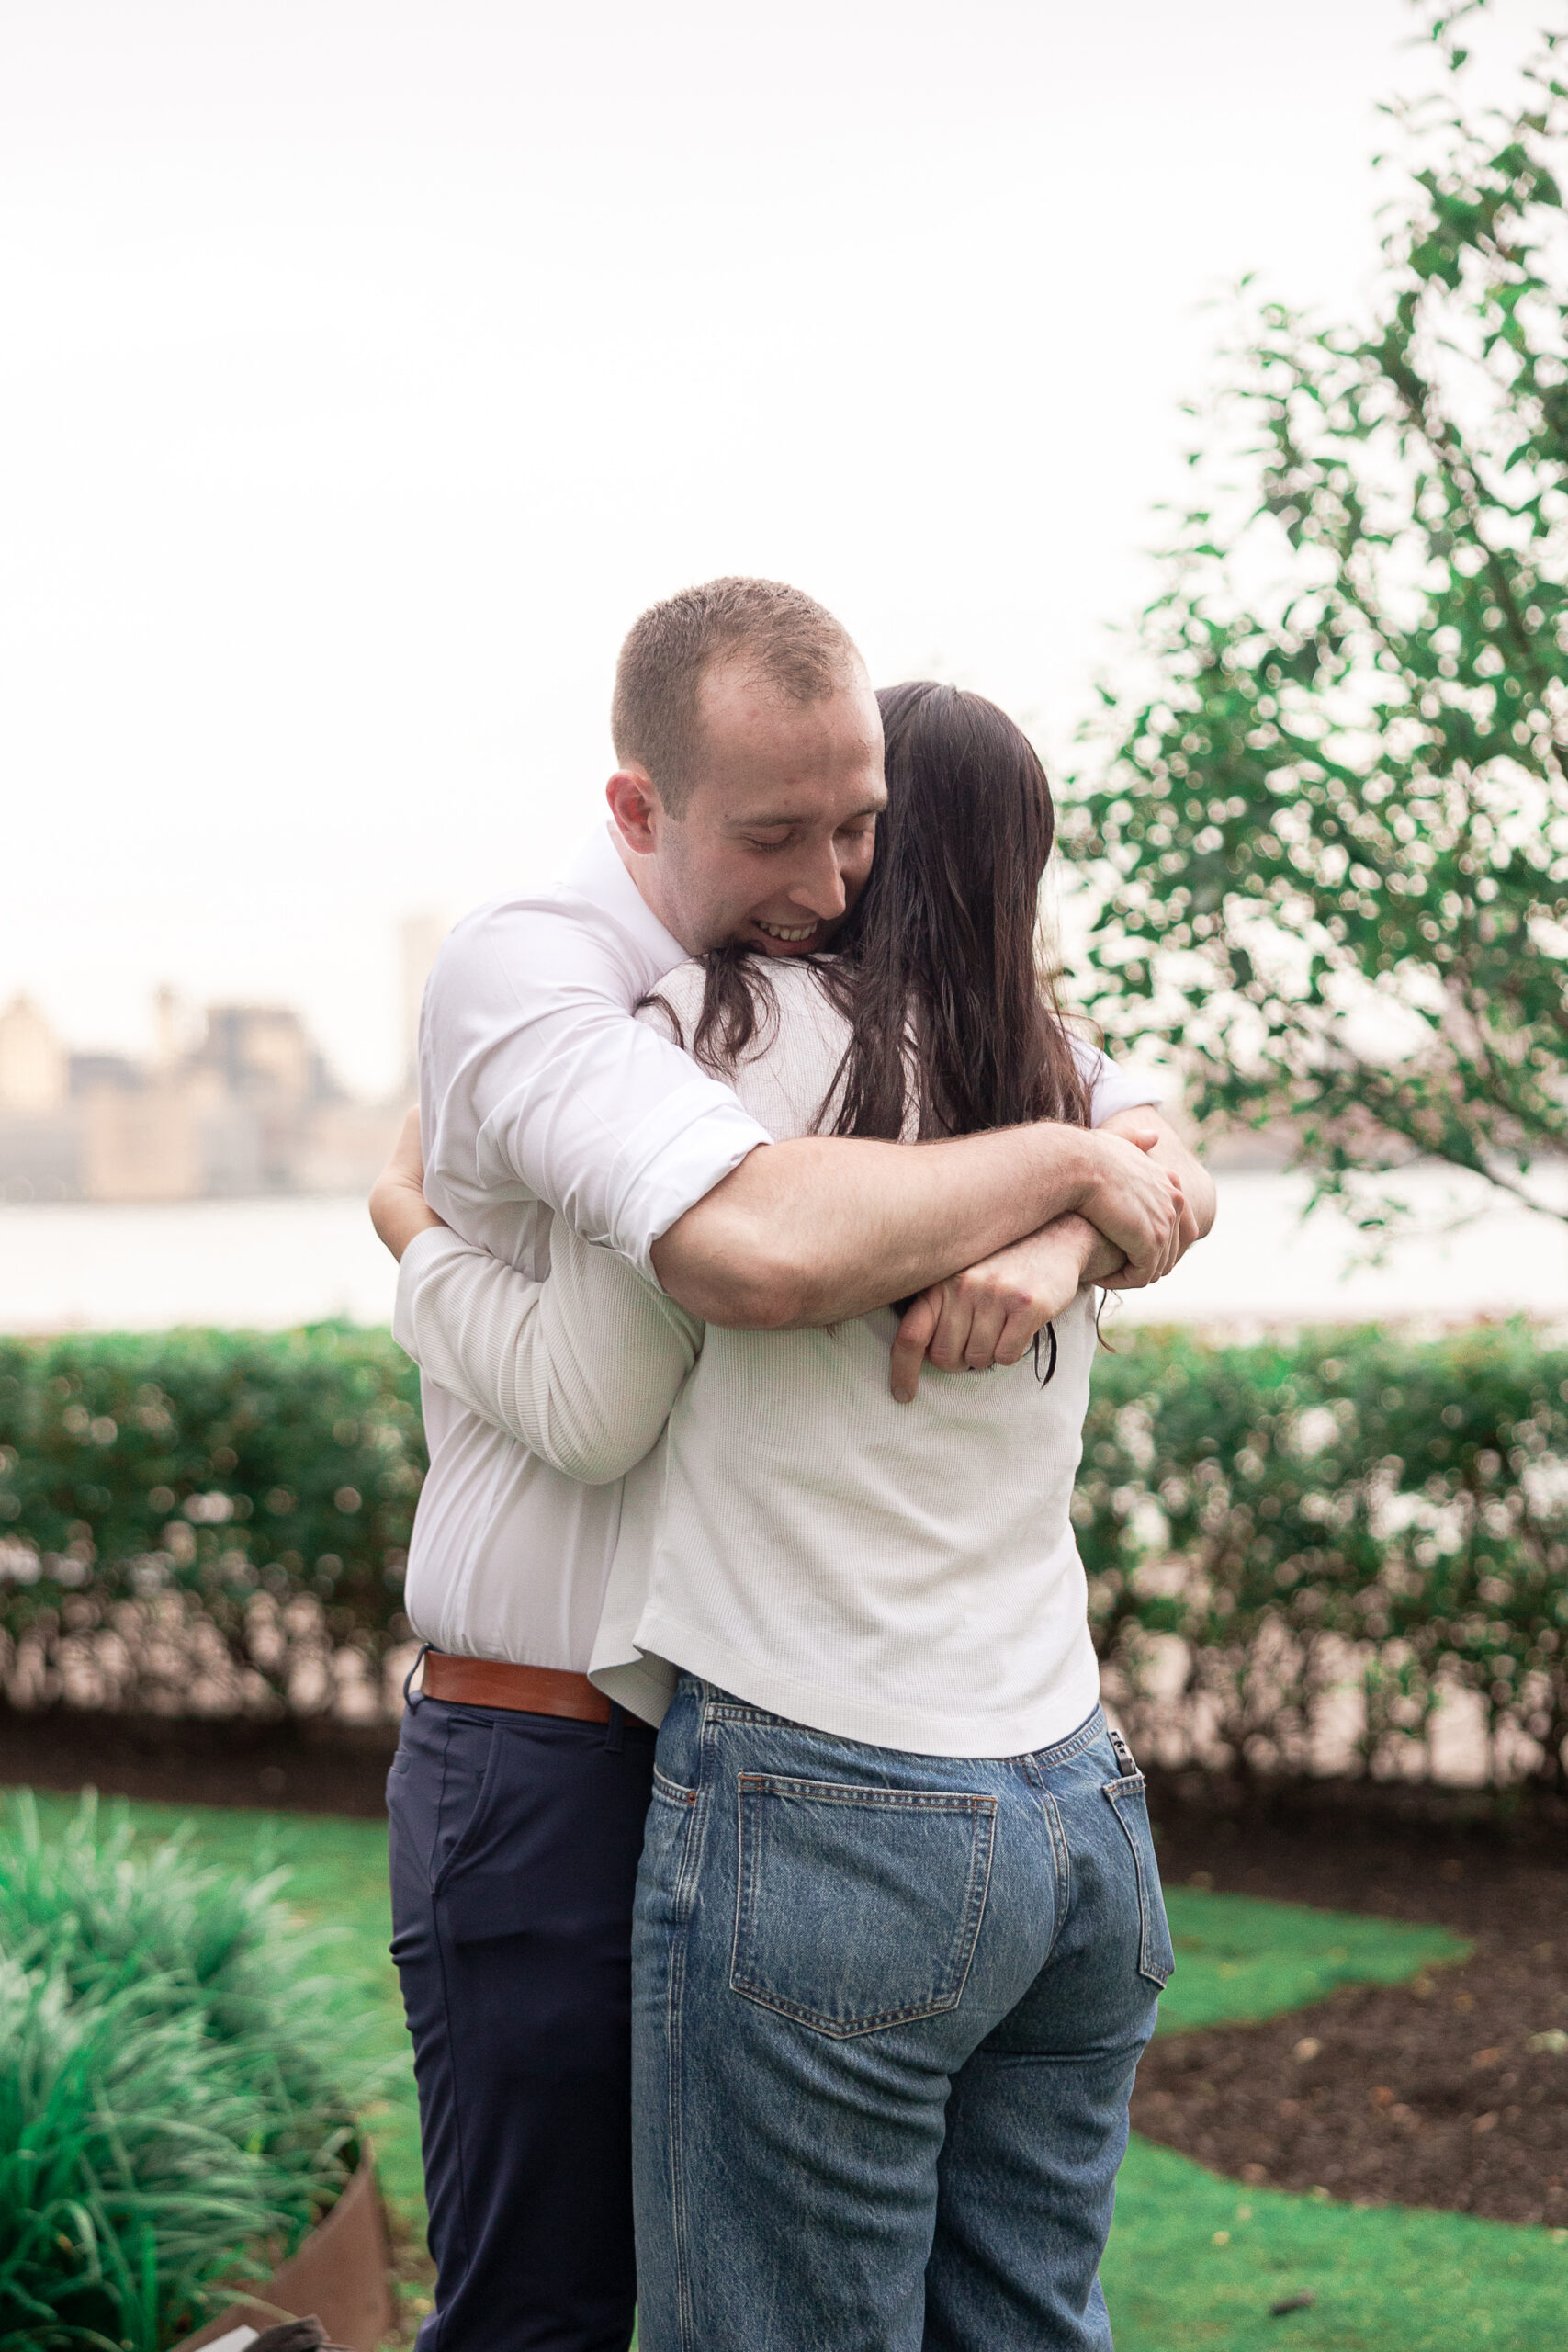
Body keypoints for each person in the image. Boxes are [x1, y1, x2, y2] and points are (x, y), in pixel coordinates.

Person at [373, 579, 1203, 2352]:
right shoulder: (1021, 1071)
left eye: (860, 831)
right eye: (783, 835)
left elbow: (644, 1355)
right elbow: (1149, 1151)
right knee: (1017, 2319)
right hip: (1056, 1798)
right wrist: (1076, 1201)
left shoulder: (733, 1048)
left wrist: (410, 1237)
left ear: (899, 837)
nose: (824, 884)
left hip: (809, 1785)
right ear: (641, 810)